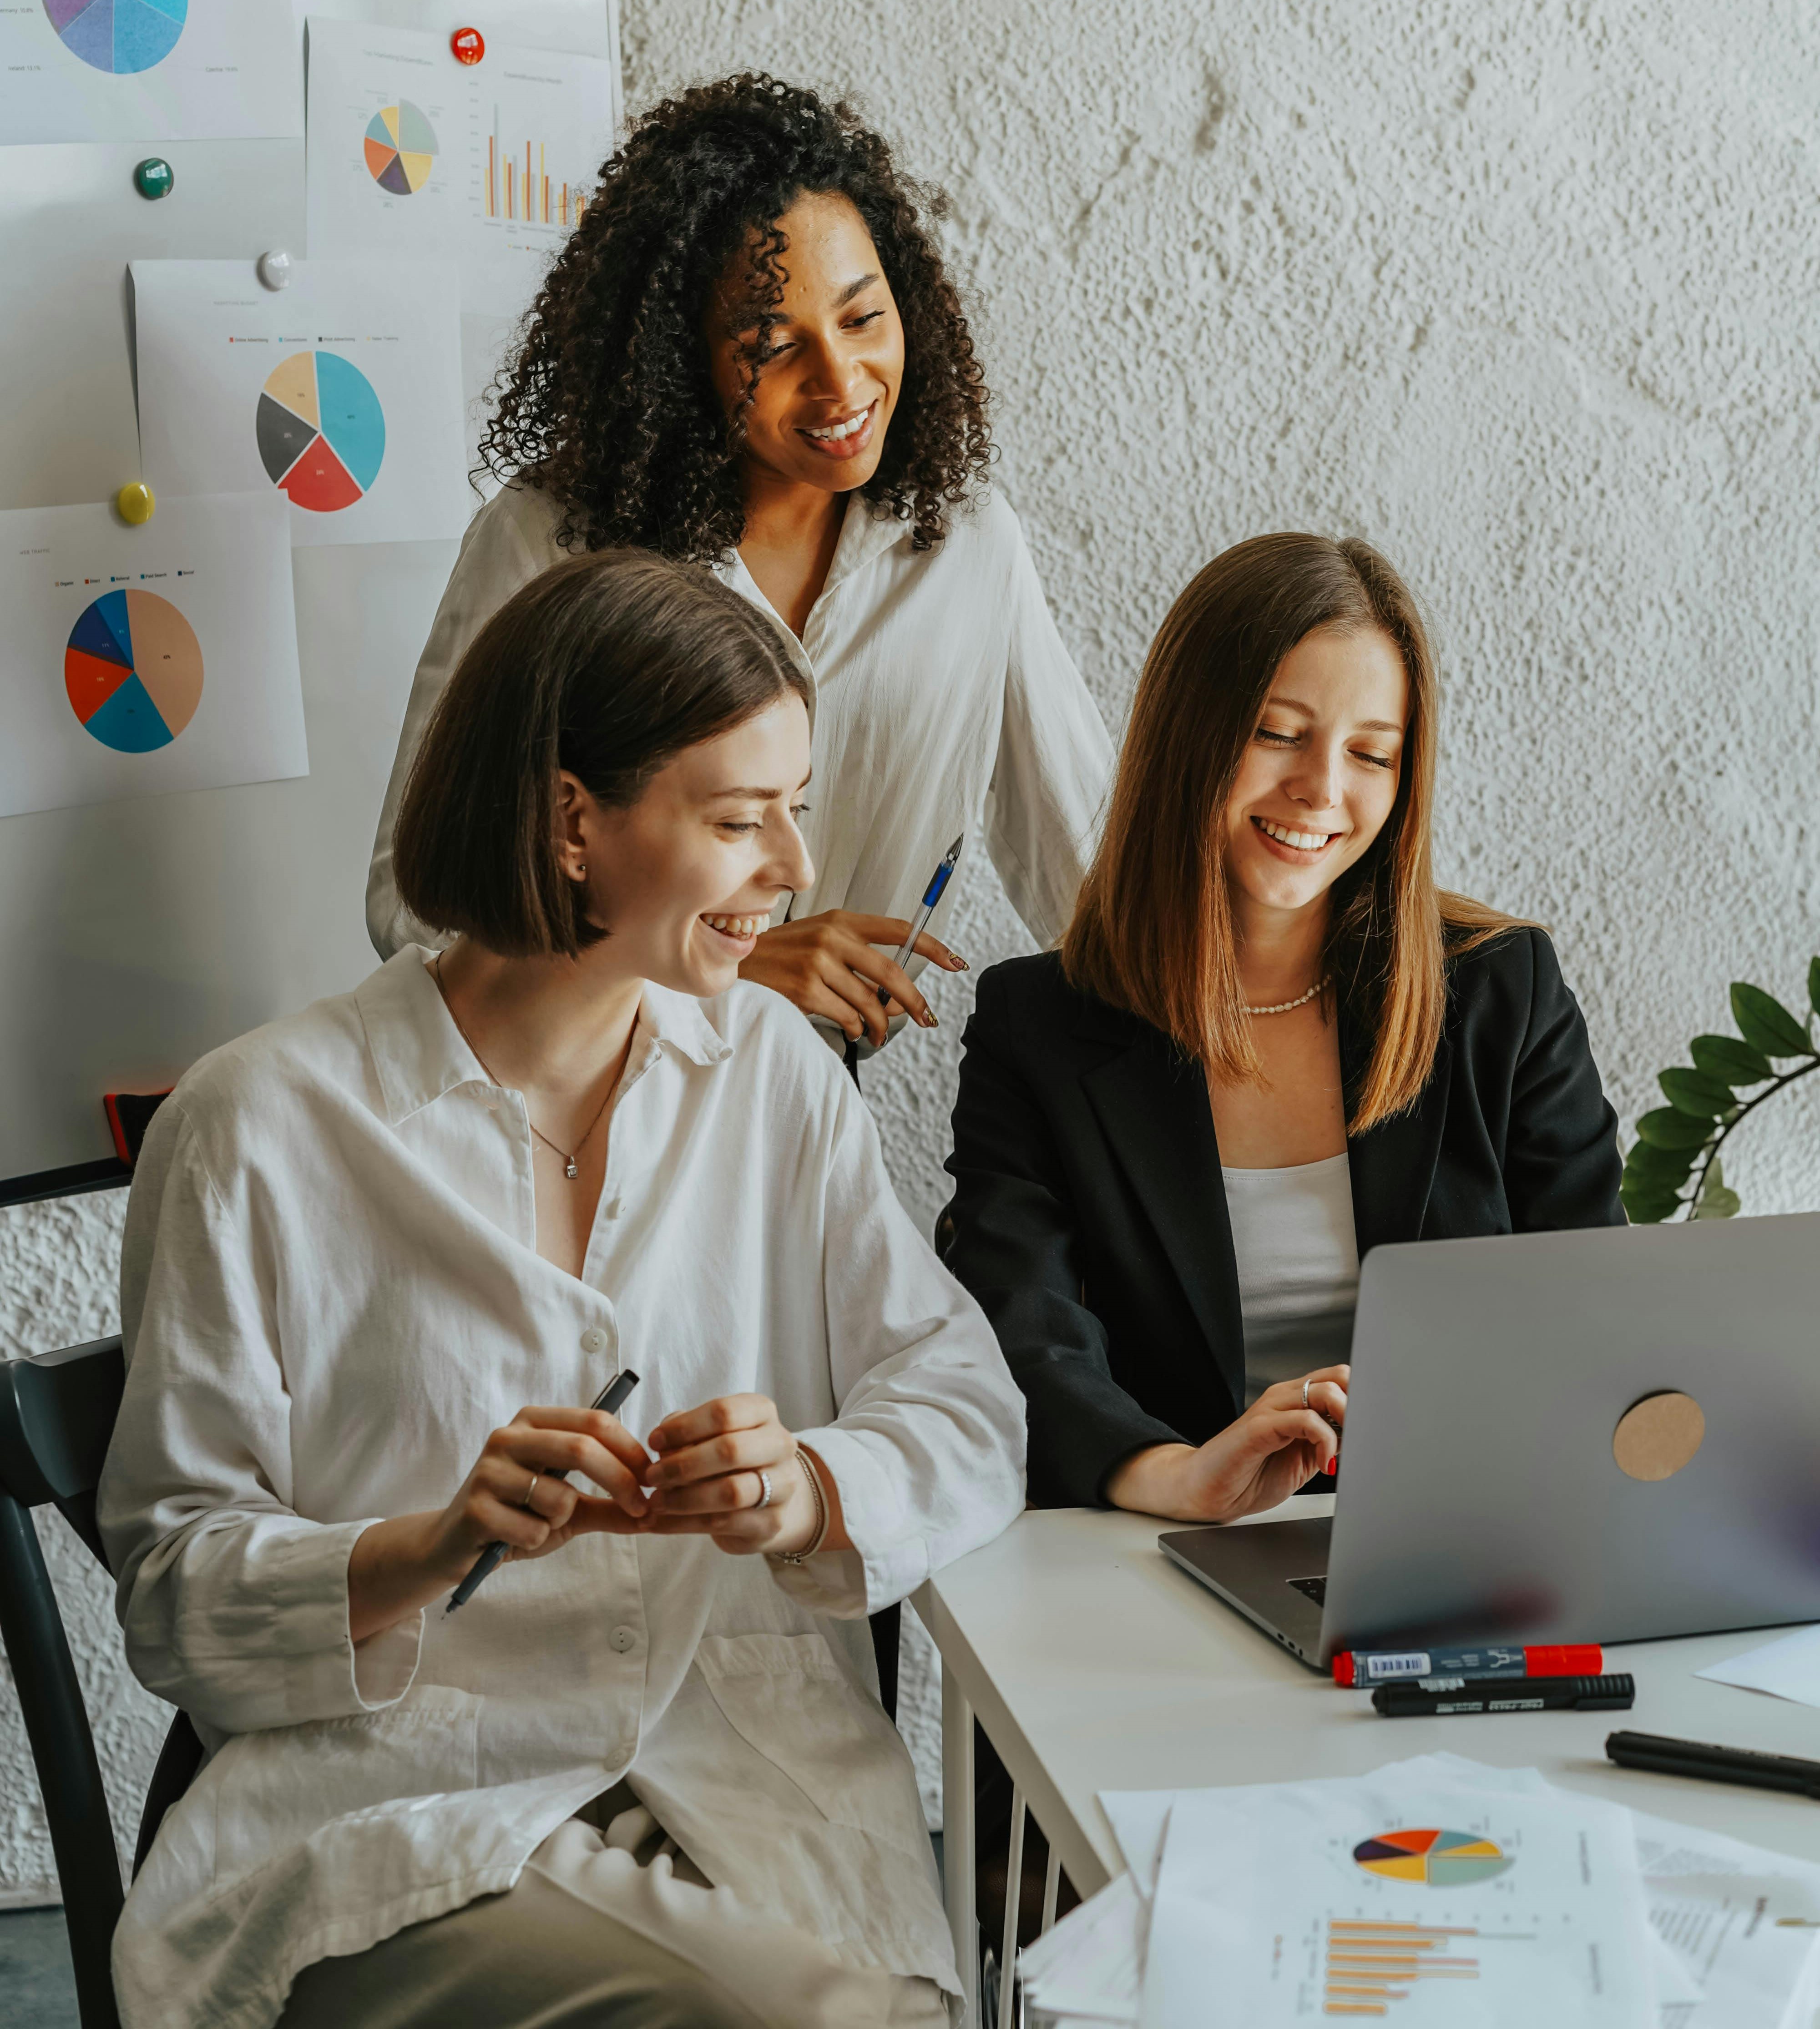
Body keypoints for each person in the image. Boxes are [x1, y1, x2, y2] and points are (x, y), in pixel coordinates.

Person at [99, 549, 1026, 2029]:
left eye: (796, 803)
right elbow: (173, 1594)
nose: (795, 866)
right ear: (570, 821)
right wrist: (432, 1542)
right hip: (395, 1809)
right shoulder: (258, 1124)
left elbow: (966, 1418)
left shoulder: (773, 1078)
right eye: (740, 818)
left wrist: (807, 1489)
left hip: (742, 1773)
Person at [368, 73, 1110, 1056]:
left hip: (810, 1100)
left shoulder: (965, 546)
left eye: (861, 318)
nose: (841, 382)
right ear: (682, 362)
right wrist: (721, 958)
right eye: (771, 344)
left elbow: (1092, 878)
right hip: (579, 1085)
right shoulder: (546, 543)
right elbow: (418, 910)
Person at [937, 532, 1623, 1518]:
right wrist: (1175, 1474)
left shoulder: (1500, 992)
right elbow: (1020, 1326)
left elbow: (1595, 1308)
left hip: (1471, 1533)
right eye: (1275, 732)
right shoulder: (1035, 1025)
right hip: (1168, 1550)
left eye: (1369, 753)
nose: (1321, 788)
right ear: (1189, 733)